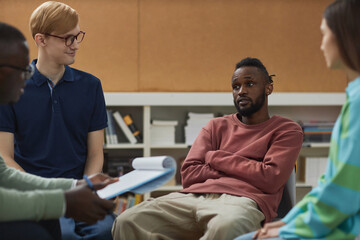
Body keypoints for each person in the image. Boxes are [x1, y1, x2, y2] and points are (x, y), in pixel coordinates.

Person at [111, 57, 304, 240]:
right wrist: (249, 168)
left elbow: (269, 178)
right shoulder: (215, 126)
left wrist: (217, 157)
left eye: (250, 84)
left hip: (242, 201)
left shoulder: (286, 129)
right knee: (127, 220)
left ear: (268, 87)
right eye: (236, 87)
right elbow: (189, 174)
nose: (241, 91)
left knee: (226, 226)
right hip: (192, 197)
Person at [235, 1, 360, 240]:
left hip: (335, 232)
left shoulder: (357, 104)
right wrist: (288, 221)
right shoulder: (353, 97)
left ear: (344, 36)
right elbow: (328, 184)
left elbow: (343, 196)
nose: (322, 45)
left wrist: (290, 228)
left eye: (325, 34)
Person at [0, 2, 114, 239]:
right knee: (65, 235)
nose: (76, 45)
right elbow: (6, 162)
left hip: (80, 189)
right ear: (41, 39)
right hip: (32, 193)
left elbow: (95, 153)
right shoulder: (12, 88)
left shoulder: (91, 86)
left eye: (78, 36)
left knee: (107, 231)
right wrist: (56, 199)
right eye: (68, 39)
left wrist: (87, 189)